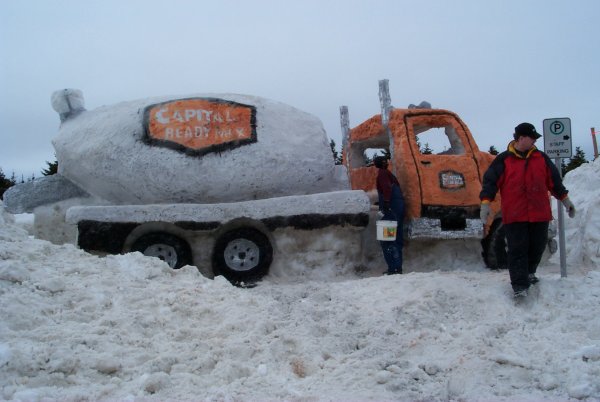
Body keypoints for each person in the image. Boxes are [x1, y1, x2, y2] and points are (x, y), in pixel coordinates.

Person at [479, 122, 576, 297]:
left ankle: (530, 272)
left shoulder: (541, 158)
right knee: (517, 249)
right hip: (515, 215)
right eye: (532, 138)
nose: (534, 141)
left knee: (537, 247)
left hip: (539, 214)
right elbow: (490, 182)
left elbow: (554, 182)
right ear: (521, 138)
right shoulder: (504, 160)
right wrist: (486, 202)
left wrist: (565, 200)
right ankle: (519, 285)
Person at [374, 156, 405, 275]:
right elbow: (390, 189)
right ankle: (398, 267)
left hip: (391, 209)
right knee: (397, 238)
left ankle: (393, 268)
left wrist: (386, 202)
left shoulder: (382, 173)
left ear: (376, 164)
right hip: (398, 208)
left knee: (387, 239)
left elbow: (386, 188)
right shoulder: (390, 174)